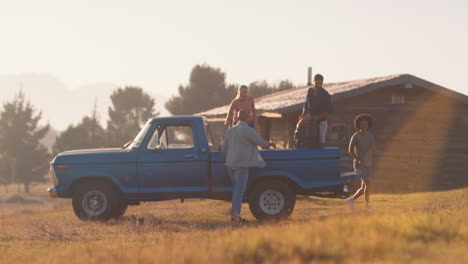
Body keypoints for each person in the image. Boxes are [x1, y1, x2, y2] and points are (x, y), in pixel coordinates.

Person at [223, 110, 272, 226]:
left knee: (236, 189)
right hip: (242, 164)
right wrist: (270, 144)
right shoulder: (249, 131)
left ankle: (235, 215)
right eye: (250, 115)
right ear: (247, 117)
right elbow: (262, 143)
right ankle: (235, 217)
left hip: (230, 164)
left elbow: (224, 148)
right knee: (239, 191)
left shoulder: (230, 131)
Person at [346, 114, 376, 210]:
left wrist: (373, 150)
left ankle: (351, 200)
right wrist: (358, 159)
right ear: (358, 125)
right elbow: (350, 150)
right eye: (362, 124)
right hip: (359, 164)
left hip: (368, 164)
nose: (364, 126)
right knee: (368, 184)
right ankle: (367, 205)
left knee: (364, 187)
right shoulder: (355, 136)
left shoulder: (370, 136)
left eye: (365, 124)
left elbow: (372, 148)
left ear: (368, 125)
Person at [300, 74, 333, 147]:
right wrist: (303, 114)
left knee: (321, 140)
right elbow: (306, 104)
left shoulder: (325, 94)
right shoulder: (310, 91)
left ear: (322, 83)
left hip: (321, 121)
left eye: (320, 83)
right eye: (316, 83)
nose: (318, 85)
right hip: (310, 120)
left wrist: (316, 117)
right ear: (313, 81)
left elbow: (328, 111)